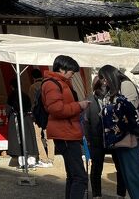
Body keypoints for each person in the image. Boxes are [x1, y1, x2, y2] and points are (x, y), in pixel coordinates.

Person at [98, 64, 139, 199]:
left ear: (110, 75)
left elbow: (128, 108)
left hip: (132, 137)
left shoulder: (125, 85)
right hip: (121, 138)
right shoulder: (113, 90)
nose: (104, 83)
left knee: (135, 176)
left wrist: (108, 110)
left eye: (104, 79)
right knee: (129, 177)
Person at [42, 55, 90, 199]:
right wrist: (79, 106)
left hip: (67, 132)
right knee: (80, 177)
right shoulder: (52, 84)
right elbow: (56, 109)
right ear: (62, 69)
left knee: (73, 175)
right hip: (65, 133)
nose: (72, 75)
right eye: (71, 72)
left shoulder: (60, 83)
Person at [83, 76, 126, 199]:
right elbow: (86, 122)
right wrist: (88, 140)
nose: (103, 85)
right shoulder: (90, 99)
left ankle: (120, 194)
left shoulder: (115, 98)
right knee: (96, 168)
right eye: (99, 83)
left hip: (114, 138)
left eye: (104, 83)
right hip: (97, 139)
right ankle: (97, 195)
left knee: (120, 167)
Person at [6, 78, 39, 169]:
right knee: (29, 139)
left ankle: (22, 163)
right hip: (27, 119)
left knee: (19, 140)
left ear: (12, 86)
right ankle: (32, 161)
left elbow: (8, 109)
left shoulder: (12, 96)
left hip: (17, 118)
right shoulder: (25, 95)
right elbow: (30, 106)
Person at [29, 68, 55, 167]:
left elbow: (32, 102)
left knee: (37, 137)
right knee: (49, 137)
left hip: (37, 116)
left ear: (33, 77)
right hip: (48, 114)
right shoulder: (47, 86)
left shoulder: (32, 87)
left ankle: (43, 158)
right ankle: (51, 159)